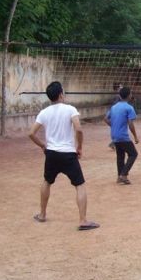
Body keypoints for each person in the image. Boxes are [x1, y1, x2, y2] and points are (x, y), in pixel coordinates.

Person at [28, 81, 99, 230]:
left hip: (51, 153)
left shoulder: (44, 112)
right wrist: (79, 147)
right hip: (68, 154)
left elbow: (31, 133)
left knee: (47, 181)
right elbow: (79, 129)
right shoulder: (70, 109)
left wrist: (42, 146)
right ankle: (83, 220)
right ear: (61, 94)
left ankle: (42, 214)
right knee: (79, 185)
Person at [104, 87, 139, 185]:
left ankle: (120, 177)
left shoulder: (114, 107)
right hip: (123, 136)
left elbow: (106, 119)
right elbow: (130, 124)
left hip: (114, 135)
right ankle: (123, 174)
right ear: (129, 95)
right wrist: (135, 136)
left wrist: (114, 125)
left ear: (119, 95)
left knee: (120, 156)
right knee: (133, 154)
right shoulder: (129, 108)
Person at [108, 83, 123, 150]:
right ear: (117, 89)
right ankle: (113, 143)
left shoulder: (120, 96)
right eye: (120, 87)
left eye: (122, 87)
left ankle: (114, 143)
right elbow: (115, 105)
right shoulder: (117, 96)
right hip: (116, 114)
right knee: (119, 129)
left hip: (118, 114)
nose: (121, 88)